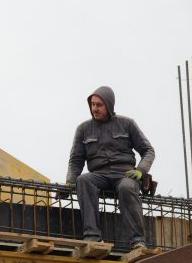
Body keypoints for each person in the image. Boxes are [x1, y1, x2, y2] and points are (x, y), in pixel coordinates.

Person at [65, 86, 155, 249]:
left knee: (127, 188)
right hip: (99, 175)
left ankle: (137, 241)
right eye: (92, 104)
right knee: (83, 180)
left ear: (109, 105)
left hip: (124, 174)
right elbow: (76, 160)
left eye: (99, 105)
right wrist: (70, 182)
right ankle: (93, 236)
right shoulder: (83, 129)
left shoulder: (127, 124)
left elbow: (148, 150)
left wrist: (141, 171)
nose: (94, 109)